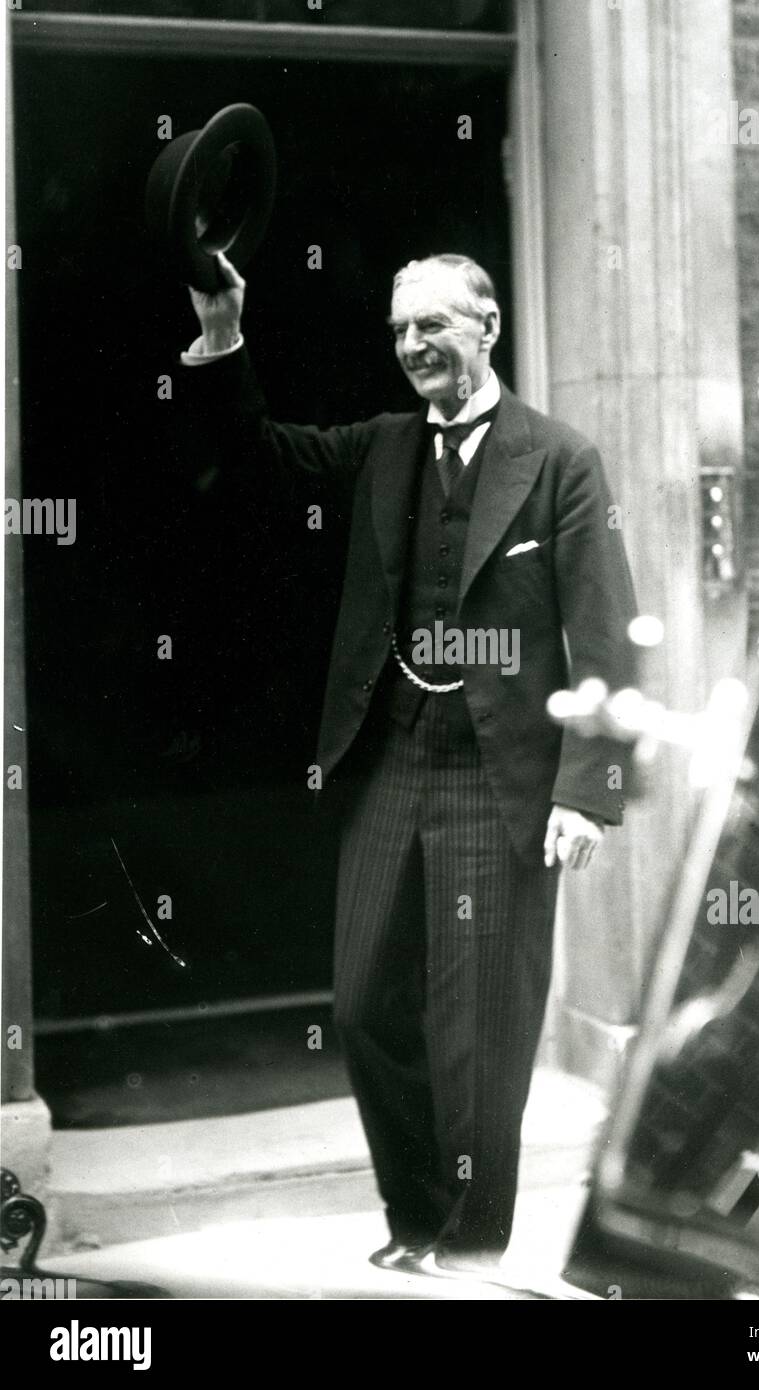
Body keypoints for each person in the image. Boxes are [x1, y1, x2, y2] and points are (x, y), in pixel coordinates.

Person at [179, 249, 638, 1277]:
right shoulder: (383, 450)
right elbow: (256, 457)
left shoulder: (558, 459)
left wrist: (587, 794)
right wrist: (220, 339)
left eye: (432, 325)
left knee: (477, 1028)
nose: (411, 347)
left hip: (497, 777)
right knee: (360, 1002)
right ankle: (418, 1209)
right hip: (390, 759)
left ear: (487, 324)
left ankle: (468, 1248)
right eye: (398, 331)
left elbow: (605, 632)